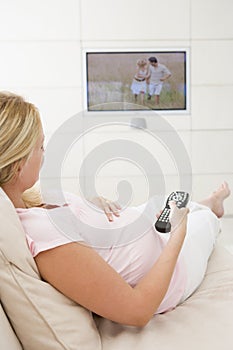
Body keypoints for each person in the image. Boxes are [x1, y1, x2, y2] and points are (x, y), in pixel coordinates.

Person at [0, 91, 230, 327]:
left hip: (145, 229)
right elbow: (137, 311)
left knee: (164, 204)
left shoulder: (27, 201)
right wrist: (177, 235)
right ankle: (211, 208)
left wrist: (89, 206)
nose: (44, 154)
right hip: (174, 273)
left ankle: (206, 203)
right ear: (19, 164)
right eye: (40, 147)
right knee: (203, 222)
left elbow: (73, 232)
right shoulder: (43, 237)